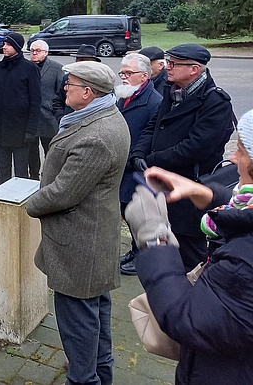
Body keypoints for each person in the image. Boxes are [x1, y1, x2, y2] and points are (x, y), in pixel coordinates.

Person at [127, 109, 253, 383]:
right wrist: (205, 193)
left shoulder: (245, 260)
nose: (233, 158)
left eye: (242, 151)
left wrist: (153, 238)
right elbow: (246, 213)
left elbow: (187, 319)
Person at [26, 61, 130, 385]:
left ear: (87, 92)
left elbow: (63, 193)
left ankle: (84, 380)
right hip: (94, 237)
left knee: (79, 322)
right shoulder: (102, 114)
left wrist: (29, 203)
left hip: (81, 245)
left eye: (69, 84)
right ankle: (100, 375)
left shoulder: (96, 135)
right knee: (96, 314)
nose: (64, 88)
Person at [130, 44, 235, 271]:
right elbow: (153, 126)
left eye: (173, 64)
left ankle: (193, 300)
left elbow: (196, 147)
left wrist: (153, 160)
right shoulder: (172, 90)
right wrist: (139, 153)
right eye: (168, 62)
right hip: (162, 186)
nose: (167, 67)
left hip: (190, 190)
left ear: (194, 69)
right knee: (165, 245)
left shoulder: (216, 102)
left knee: (190, 257)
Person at [115, 53, 163, 276]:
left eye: (128, 73)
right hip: (120, 166)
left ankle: (142, 256)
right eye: (122, 73)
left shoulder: (154, 102)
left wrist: (131, 159)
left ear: (144, 76)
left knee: (138, 216)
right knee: (126, 212)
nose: (123, 77)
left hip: (135, 169)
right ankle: (135, 251)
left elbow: (149, 139)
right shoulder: (125, 95)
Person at [0, 32, 41, 184]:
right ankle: (3, 202)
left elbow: (36, 102)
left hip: (21, 131)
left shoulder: (30, 69)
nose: (4, 47)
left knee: (21, 172)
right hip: (0, 129)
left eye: (8, 44)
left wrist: (31, 130)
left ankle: (19, 204)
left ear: (17, 47)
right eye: (4, 44)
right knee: (3, 171)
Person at [27, 39, 64, 179]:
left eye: (38, 51)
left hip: (49, 118)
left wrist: (55, 110)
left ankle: (49, 177)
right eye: (32, 51)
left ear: (46, 52)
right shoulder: (26, 67)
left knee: (51, 151)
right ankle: (33, 176)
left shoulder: (56, 68)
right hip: (30, 118)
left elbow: (61, 93)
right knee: (31, 151)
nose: (34, 53)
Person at [52, 44, 101, 121]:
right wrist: (62, 118)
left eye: (83, 60)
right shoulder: (67, 78)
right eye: (78, 60)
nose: (79, 63)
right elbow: (57, 101)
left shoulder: (101, 80)